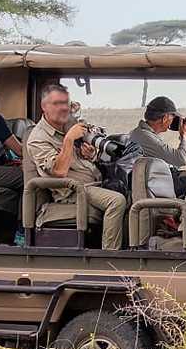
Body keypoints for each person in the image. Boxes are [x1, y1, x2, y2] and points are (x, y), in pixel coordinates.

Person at [24, 83, 127, 249]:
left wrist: (91, 154)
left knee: (129, 191)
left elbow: (87, 161)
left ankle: (132, 250)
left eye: (66, 103)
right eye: (57, 104)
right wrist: (69, 140)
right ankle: (110, 257)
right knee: (117, 201)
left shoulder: (68, 125)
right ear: (44, 107)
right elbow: (59, 171)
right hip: (73, 190)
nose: (63, 108)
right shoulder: (38, 138)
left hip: (93, 183)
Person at [129, 96, 186, 197]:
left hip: (151, 180)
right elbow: (180, 159)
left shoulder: (141, 133)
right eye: (172, 118)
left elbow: (172, 162)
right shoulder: (146, 137)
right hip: (152, 183)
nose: (173, 122)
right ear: (164, 118)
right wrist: (184, 137)